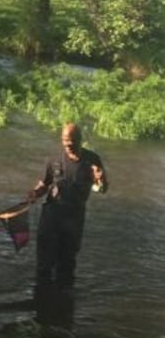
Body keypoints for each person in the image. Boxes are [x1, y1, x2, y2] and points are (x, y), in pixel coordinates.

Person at [27, 123, 108, 290]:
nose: (68, 145)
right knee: (44, 264)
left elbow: (102, 189)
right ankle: (42, 301)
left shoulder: (92, 160)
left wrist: (100, 180)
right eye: (64, 141)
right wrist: (35, 193)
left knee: (67, 265)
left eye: (71, 141)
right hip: (51, 216)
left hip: (74, 218)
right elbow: (45, 182)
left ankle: (64, 304)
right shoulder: (54, 159)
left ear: (80, 140)